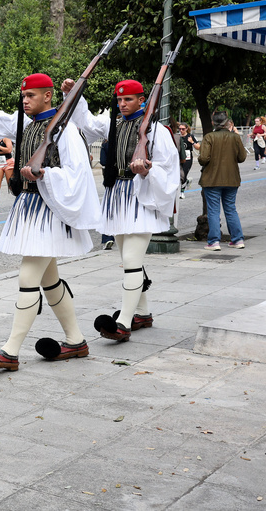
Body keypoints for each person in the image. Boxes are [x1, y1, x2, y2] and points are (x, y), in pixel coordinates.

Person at [0, 62, 100, 371]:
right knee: (49, 281)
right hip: (30, 209)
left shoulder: (64, 129)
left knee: (29, 277)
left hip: (50, 211)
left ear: (48, 96)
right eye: (23, 95)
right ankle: (76, 340)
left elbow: (78, 174)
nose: (25, 100)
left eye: (30, 95)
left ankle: (11, 351)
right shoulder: (24, 124)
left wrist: (45, 174)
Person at [63, 78, 180, 342]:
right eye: (119, 100)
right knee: (129, 260)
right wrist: (74, 94)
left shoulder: (155, 130)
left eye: (128, 99)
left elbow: (169, 166)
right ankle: (142, 311)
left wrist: (148, 170)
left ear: (142, 100)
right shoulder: (113, 125)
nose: (123, 104)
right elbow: (86, 122)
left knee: (131, 261)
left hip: (142, 197)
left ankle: (124, 323)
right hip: (118, 197)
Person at [198, 111, 247, 250]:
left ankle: (214, 242)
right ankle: (238, 240)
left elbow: (203, 159)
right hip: (232, 179)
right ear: (227, 123)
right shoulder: (235, 138)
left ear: (213, 123)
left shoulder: (209, 137)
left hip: (212, 179)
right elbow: (242, 158)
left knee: (213, 210)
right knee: (231, 209)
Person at [178, 123, 199, 197]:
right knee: (179, 175)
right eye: (180, 129)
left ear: (186, 129)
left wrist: (192, 142)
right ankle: (187, 181)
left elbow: (198, 147)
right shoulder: (178, 137)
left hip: (188, 158)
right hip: (180, 157)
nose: (181, 130)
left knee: (184, 173)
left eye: (183, 129)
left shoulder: (191, 136)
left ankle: (182, 192)